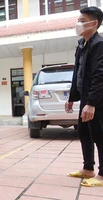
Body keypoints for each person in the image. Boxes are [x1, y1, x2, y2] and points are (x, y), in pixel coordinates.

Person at [65, 6, 103, 187]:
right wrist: (72, 97)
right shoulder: (82, 44)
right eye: (78, 20)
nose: (78, 24)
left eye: (82, 21)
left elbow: (100, 75)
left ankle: (102, 175)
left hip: (97, 100)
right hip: (85, 98)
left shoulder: (99, 44)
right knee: (84, 133)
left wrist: (92, 103)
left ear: (94, 23)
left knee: (99, 134)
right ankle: (88, 168)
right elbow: (77, 72)